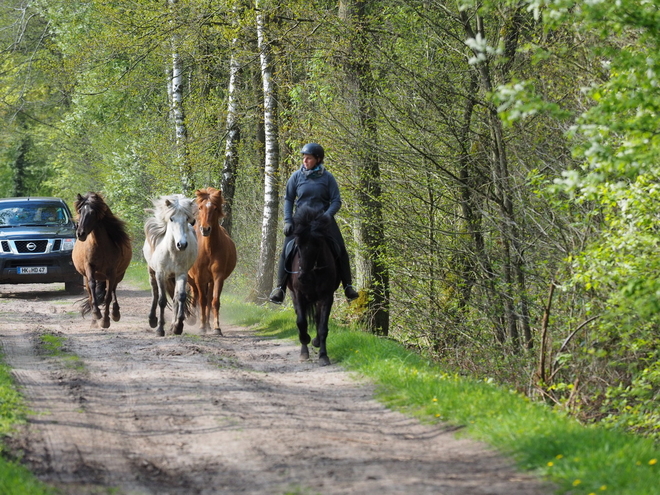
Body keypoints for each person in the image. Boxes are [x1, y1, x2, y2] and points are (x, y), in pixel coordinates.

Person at [269, 143, 359, 304]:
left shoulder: (328, 178)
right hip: (301, 222)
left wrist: (327, 216)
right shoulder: (296, 177)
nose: (305, 161)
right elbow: (289, 199)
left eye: (308, 158)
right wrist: (288, 220)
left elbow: (336, 201)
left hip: (323, 221)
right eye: (303, 158)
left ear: (318, 159)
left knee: (340, 248)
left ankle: (348, 286)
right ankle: (279, 288)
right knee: (287, 250)